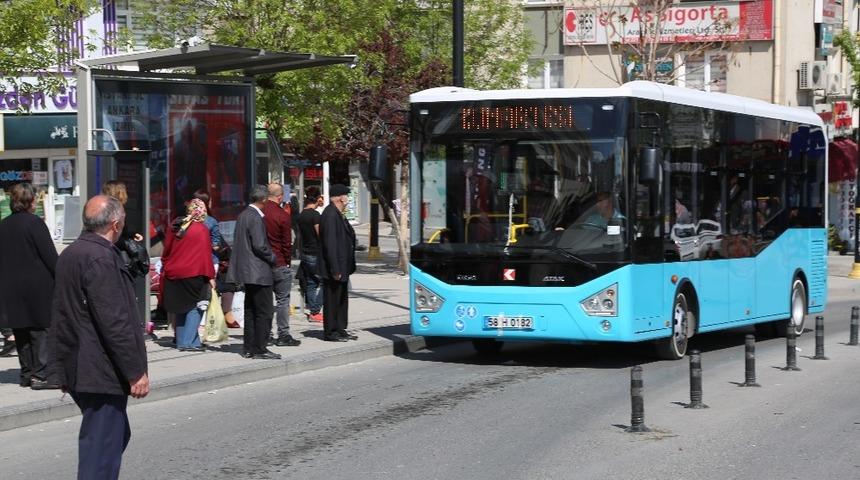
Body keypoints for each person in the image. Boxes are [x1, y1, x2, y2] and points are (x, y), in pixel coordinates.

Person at [49, 195, 149, 480]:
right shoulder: (101, 258)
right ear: (115, 224)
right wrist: (135, 372)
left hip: (82, 363)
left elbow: (62, 314)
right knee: (102, 450)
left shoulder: (73, 253)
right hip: (100, 368)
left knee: (113, 437)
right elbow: (114, 322)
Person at [0, 183, 59, 389]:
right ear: (30, 201)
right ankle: (41, 375)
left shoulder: (4, 225)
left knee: (21, 330)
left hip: (11, 286)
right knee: (40, 329)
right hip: (37, 286)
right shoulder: (35, 223)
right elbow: (50, 256)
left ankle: (26, 373)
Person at [227, 185, 281, 359]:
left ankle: (249, 347)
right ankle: (260, 347)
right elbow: (259, 245)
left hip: (247, 271)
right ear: (264, 199)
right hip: (258, 272)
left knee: (250, 311)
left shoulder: (243, 215)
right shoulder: (255, 218)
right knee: (264, 312)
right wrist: (273, 257)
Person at [161, 199, 216, 351]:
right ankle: (187, 342)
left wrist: (166, 266)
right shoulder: (201, 229)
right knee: (195, 307)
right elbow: (206, 255)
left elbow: (166, 250)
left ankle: (186, 340)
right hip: (194, 272)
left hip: (174, 272)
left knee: (181, 307)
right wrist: (210, 276)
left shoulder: (175, 226)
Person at [262, 183, 301, 347]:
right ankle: (283, 334)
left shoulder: (260, 212)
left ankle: (266, 333)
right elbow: (287, 243)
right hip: (279, 262)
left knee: (264, 300)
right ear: (280, 197)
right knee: (283, 300)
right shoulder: (282, 215)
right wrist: (286, 262)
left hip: (262, 263)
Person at [318, 183, 357, 342]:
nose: (348, 199)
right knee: (332, 299)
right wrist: (335, 267)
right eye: (346, 196)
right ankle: (331, 331)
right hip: (334, 267)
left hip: (343, 265)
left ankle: (340, 328)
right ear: (340, 197)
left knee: (341, 299)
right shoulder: (330, 215)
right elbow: (330, 244)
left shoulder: (338, 213)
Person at [102, 180, 149, 278]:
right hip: (120, 259)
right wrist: (130, 239)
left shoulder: (101, 210)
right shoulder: (121, 211)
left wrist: (133, 235)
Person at [296, 187, 324, 323]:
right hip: (315, 253)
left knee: (312, 283)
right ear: (318, 198)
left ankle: (313, 312)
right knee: (326, 282)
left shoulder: (301, 215)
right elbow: (320, 234)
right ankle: (315, 309)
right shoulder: (315, 215)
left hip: (305, 252)